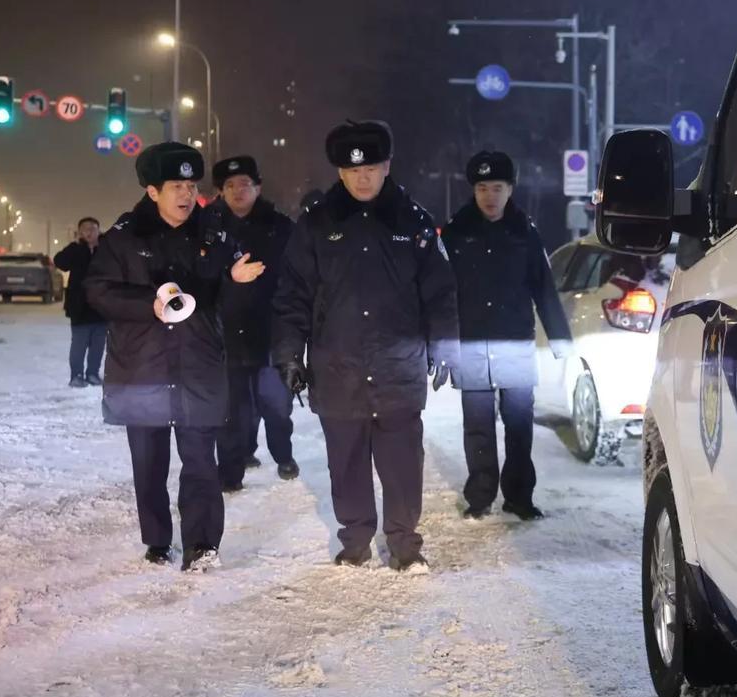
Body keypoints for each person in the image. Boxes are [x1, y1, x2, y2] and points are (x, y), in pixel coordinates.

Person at [272, 120, 458, 572]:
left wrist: (446, 343)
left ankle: (404, 547)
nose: (362, 177)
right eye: (352, 170)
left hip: (398, 367)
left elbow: (440, 291)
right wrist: (289, 352)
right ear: (340, 172)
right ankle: (354, 541)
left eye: (371, 167)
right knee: (347, 462)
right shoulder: (316, 225)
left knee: (401, 465)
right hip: (338, 368)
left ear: (387, 166)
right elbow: (292, 294)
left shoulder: (412, 222)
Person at [85, 142, 265, 572]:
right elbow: (97, 291)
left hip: (198, 365)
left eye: (191, 184)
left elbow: (232, 296)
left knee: (202, 461)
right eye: (175, 186)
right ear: (152, 191)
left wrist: (237, 280)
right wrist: (148, 301)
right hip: (141, 366)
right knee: (149, 463)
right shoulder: (124, 237)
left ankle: (203, 546)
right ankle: (158, 541)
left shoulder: (215, 232)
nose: (187, 195)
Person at [441, 151, 572, 521]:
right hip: (471, 346)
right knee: (478, 427)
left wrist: (561, 341)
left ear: (510, 189)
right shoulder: (455, 232)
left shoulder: (525, 233)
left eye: (497, 188)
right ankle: (480, 496)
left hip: (515, 345)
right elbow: (440, 292)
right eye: (482, 187)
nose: (489, 196)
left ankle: (518, 496)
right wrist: (438, 342)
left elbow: (543, 287)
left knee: (518, 425)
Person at [210, 155, 299, 490]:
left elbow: (297, 278)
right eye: (229, 185)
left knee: (276, 405)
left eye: (244, 184)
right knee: (232, 412)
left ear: (258, 187)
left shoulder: (280, 227)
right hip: (224, 337)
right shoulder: (208, 229)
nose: (237, 191)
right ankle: (231, 471)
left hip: (270, 334)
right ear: (219, 191)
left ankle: (283, 454)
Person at [53, 217, 106, 388]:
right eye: (85, 229)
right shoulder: (75, 249)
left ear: (99, 230)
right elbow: (60, 262)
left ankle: (92, 374)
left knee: (98, 345)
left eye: (92, 228)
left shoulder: (107, 249)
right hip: (79, 306)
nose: (89, 231)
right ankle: (76, 376)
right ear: (80, 232)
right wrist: (73, 246)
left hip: (102, 306)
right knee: (79, 344)